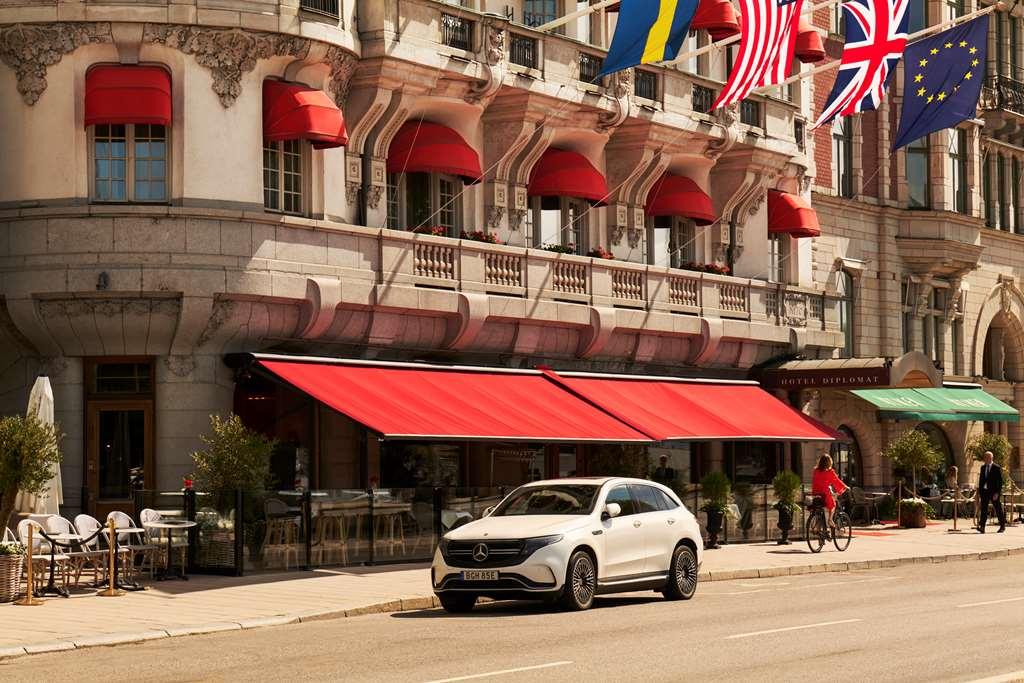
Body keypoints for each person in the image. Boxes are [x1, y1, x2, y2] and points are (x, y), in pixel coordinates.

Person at [812, 453, 848, 528]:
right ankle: (830, 519)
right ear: (829, 462)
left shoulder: (816, 471)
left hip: (815, 493)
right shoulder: (830, 472)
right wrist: (845, 487)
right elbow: (837, 481)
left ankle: (819, 526)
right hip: (824, 493)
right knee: (833, 505)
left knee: (821, 508)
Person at [977, 450, 1006, 533]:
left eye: (986, 457)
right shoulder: (982, 467)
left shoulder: (996, 467)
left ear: (991, 458)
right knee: (984, 509)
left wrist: (997, 493)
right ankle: (982, 527)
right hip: (984, 492)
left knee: (998, 509)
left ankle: (1002, 526)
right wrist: (980, 491)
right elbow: (981, 480)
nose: (985, 459)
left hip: (994, 492)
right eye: (984, 457)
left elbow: (1000, 482)